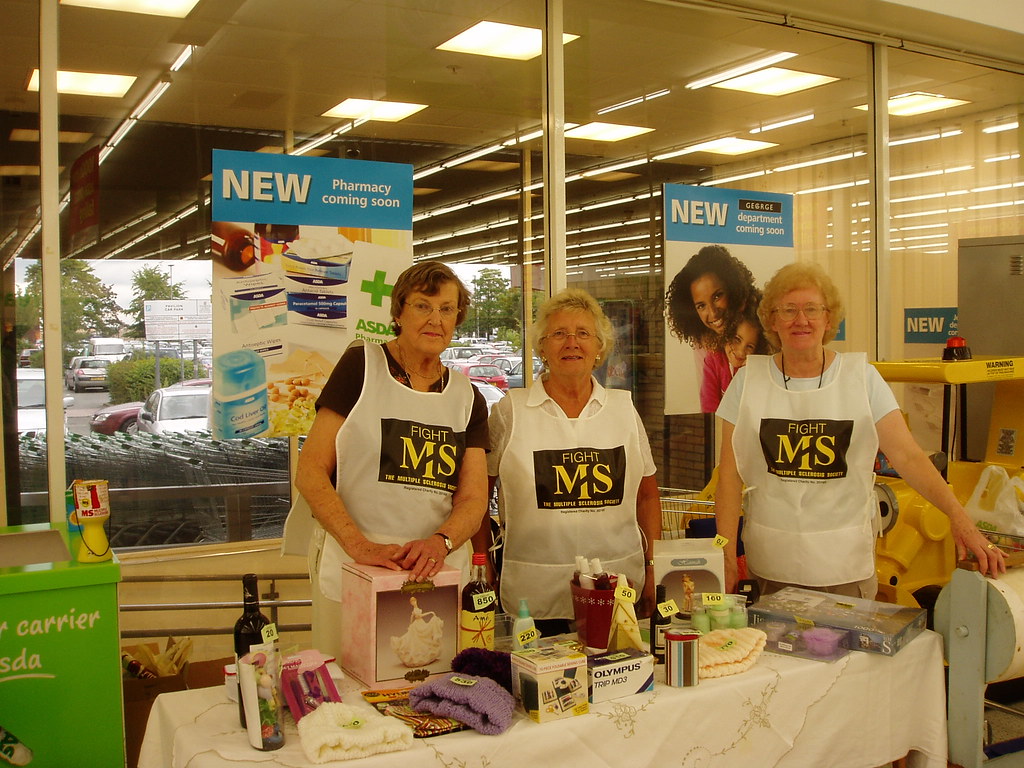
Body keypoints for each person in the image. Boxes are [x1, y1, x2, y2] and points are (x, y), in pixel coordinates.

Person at [714, 262, 1006, 598]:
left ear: (828, 318)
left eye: (812, 309)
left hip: (843, 570)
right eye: (788, 310)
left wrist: (960, 519)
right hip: (769, 569)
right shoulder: (747, 382)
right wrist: (724, 552)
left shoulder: (861, 378)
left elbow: (909, 457)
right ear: (772, 320)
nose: (801, 320)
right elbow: (729, 476)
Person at [294, 261, 490, 657]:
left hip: (437, 573)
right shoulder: (361, 368)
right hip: (356, 567)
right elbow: (311, 471)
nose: (436, 319)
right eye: (423, 306)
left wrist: (441, 542)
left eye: (447, 309)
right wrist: (360, 546)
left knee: (432, 693)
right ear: (398, 312)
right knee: (350, 697)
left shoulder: (469, 397)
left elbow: (473, 499)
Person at [478, 288, 661, 634]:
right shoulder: (510, 411)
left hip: (617, 590)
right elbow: (477, 494)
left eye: (583, 334)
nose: (571, 343)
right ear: (542, 349)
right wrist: (483, 564)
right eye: (558, 334)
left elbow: (647, 496)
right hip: (533, 598)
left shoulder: (624, 410)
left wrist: (653, 567)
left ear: (599, 349)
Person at [665, 244, 761, 413]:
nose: (713, 312)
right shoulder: (703, 346)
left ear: (733, 289)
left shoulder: (760, 326)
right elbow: (709, 403)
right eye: (701, 306)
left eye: (717, 296)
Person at [700, 302, 773, 413]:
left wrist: (748, 371)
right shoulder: (713, 360)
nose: (741, 351)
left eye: (750, 346)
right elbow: (708, 406)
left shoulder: (756, 368)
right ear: (725, 333)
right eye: (737, 339)